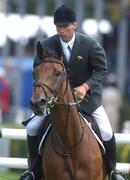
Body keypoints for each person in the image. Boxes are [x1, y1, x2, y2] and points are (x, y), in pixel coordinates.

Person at [21, 5, 126, 180]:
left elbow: (102, 70)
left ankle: (113, 171)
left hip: (88, 100)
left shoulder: (90, 45)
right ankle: (33, 171)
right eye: (58, 27)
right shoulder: (47, 45)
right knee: (32, 128)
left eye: (65, 26)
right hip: (55, 102)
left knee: (107, 131)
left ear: (74, 25)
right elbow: (37, 70)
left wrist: (85, 86)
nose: (61, 31)